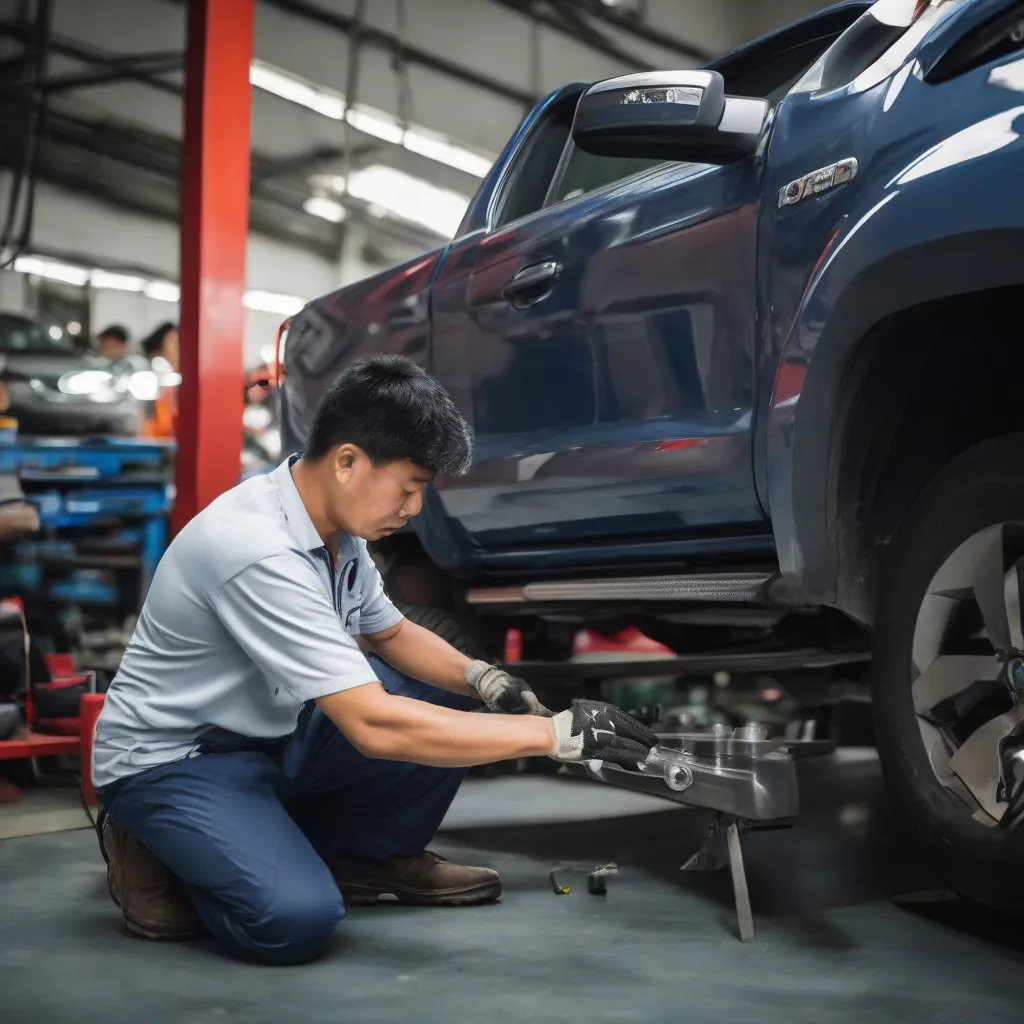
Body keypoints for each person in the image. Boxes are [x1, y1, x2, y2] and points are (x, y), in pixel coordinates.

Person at [93, 354, 656, 965]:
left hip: (275, 737)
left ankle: (366, 858)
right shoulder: (257, 550)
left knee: (444, 689)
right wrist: (552, 734)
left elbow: (391, 634)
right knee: (294, 921)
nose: (414, 508)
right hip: (181, 760)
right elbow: (371, 723)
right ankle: (152, 846)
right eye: (409, 486)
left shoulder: (339, 536)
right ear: (347, 462)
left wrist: (485, 680)